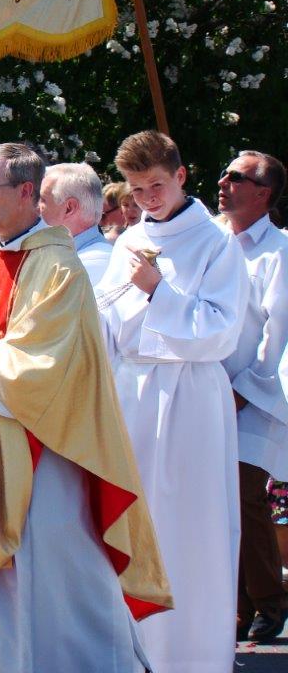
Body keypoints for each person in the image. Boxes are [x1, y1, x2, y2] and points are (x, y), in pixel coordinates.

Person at [0, 143, 171, 673]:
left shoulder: (61, 269)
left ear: (28, 193)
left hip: (41, 449)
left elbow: (53, 365)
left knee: (50, 576)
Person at [97, 130, 249, 673]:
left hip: (189, 397)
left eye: (157, 185)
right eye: (137, 191)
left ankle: (193, 656)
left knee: (190, 529)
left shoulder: (217, 242)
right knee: (134, 525)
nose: (148, 200)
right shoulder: (126, 241)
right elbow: (106, 321)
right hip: (131, 391)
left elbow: (222, 331)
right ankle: (133, 652)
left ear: (181, 176)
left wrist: (159, 290)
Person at [216, 150, 288, 642]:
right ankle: (233, 606)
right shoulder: (214, 243)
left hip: (251, 398)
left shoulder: (280, 251)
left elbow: (276, 333)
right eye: (224, 173)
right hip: (202, 393)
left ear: (262, 194)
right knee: (213, 499)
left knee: (242, 496)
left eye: (236, 177)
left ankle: (267, 600)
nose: (223, 181)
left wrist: (241, 392)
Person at [39, 162, 113, 286]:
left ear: (69, 208)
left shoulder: (87, 266)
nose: (34, 208)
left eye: (42, 200)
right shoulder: (68, 257)